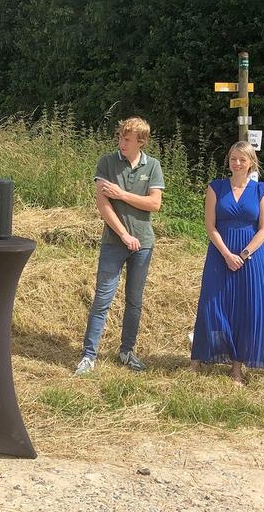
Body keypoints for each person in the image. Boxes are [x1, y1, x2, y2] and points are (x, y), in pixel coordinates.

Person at [74, 117, 165, 375]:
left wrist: (122, 195)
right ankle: (88, 356)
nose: (121, 142)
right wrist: (124, 235)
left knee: (134, 301)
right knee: (102, 299)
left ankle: (127, 352)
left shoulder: (154, 166)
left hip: (144, 244)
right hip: (115, 243)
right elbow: (103, 206)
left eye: (127, 139)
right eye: (120, 138)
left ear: (141, 142)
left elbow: (155, 204)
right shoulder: (107, 162)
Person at [190, 140, 264, 385]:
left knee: (245, 309)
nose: (237, 163)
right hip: (220, 254)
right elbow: (210, 226)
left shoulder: (262, 190)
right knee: (212, 304)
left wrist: (242, 255)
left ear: (251, 162)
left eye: (242, 159)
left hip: (251, 259)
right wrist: (227, 254)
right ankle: (198, 358)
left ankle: (237, 368)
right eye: (233, 158)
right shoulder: (215, 188)